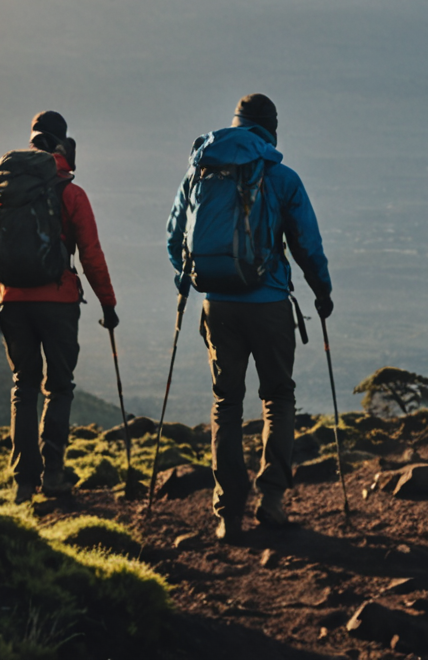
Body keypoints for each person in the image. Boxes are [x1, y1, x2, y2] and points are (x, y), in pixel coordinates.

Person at [165, 93, 333, 542]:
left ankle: (228, 514)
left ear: (236, 124)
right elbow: (306, 244)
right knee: (277, 399)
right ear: (271, 129)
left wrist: (187, 281)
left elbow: (175, 235)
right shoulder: (281, 177)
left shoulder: (200, 171)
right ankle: (272, 499)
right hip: (270, 304)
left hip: (216, 306)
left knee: (227, 404)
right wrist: (322, 291)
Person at [0, 111, 119, 504]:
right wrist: (107, 302)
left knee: (24, 387)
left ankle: (23, 483)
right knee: (59, 386)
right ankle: (53, 475)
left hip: (12, 302)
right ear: (63, 144)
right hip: (58, 302)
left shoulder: (0, 192)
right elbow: (91, 254)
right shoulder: (70, 192)